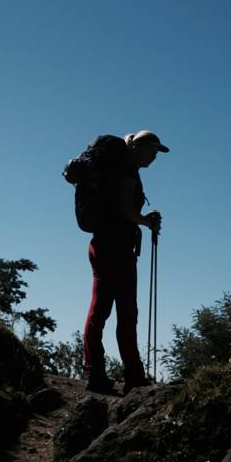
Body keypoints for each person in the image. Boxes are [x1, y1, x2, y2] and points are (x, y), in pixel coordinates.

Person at [83, 130, 169, 394]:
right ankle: (133, 375)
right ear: (138, 147)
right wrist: (146, 221)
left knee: (102, 310)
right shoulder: (127, 172)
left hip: (103, 245)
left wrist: (141, 220)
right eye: (152, 152)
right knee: (125, 313)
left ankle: (95, 372)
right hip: (116, 249)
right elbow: (125, 211)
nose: (153, 158)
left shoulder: (121, 168)